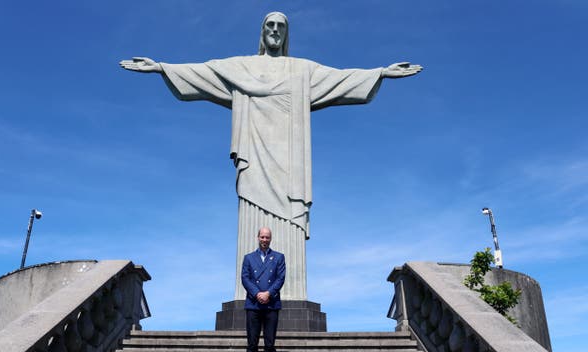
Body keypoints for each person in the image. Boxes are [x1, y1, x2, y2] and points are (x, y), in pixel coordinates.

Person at [120, 12, 421, 302]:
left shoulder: (302, 70)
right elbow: (204, 72)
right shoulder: (242, 67)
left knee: (290, 221)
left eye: (281, 26)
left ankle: (287, 296)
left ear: (286, 34)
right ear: (262, 33)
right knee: (251, 217)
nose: (275, 30)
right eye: (270, 25)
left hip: (290, 162)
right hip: (254, 156)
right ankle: (251, 296)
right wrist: (161, 67)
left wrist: (380, 73)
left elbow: (340, 80)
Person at [241, 227, 286, 352]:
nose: (265, 240)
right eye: (262, 237)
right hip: (253, 304)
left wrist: (268, 293)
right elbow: (245, 278)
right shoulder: (248, 258)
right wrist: (257, 293)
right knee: (252, 343)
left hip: (271, 304)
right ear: (257, 237)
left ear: (270, 239)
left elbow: (280, 278)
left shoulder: (279, 257)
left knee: (269, 343)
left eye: (267, 237)